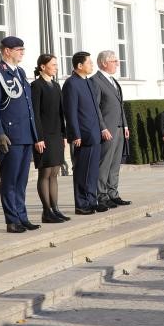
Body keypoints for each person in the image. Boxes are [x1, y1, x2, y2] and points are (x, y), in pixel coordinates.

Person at [0, 36, 40, 233]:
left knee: (22, 180)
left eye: (22, 49)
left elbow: (27, 104)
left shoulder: (20, 72)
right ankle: (11, 219)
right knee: (9, 180)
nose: (22, 52)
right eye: (18, 49)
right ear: (6, 51)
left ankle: (22, 216)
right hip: (10, 136)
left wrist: (34, 133)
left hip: (25, 134)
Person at [62, 51, 104, 214]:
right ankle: (81, 204)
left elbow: (95, 109)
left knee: (92, 171)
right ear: (79, 65)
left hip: (94, 134)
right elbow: (70, 112)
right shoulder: (71, 84)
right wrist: (75, 134)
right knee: (82, 171)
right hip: (83, 135)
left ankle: (91, 200)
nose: (92, 65)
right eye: (89, 63)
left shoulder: (88, 82)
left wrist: (100, 129)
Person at [31, 54, 69, 224]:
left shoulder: (55, 85)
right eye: (53, 64)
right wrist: (38, 138)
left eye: (56, 64)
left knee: (54, 172)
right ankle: (46, 211)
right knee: (45, 172)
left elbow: (61, 113)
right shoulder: (36, 86)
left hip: (56, 135)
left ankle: (55, 209)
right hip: (43, 135)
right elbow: (35, 115)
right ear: (42, 67)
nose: (56, 67)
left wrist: (64, 135)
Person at [93, 50, 131, 208]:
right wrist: (102, 128)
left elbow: (119, 105)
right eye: (114, 61)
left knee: (115, 164)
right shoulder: (96, 81)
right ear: (104, 63)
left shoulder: (113, 81)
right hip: (108, 129)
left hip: (119, 127)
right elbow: (96, 108)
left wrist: (125, 124)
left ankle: (113, 193)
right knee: (105, 163)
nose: (118, 63)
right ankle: (101, 195)